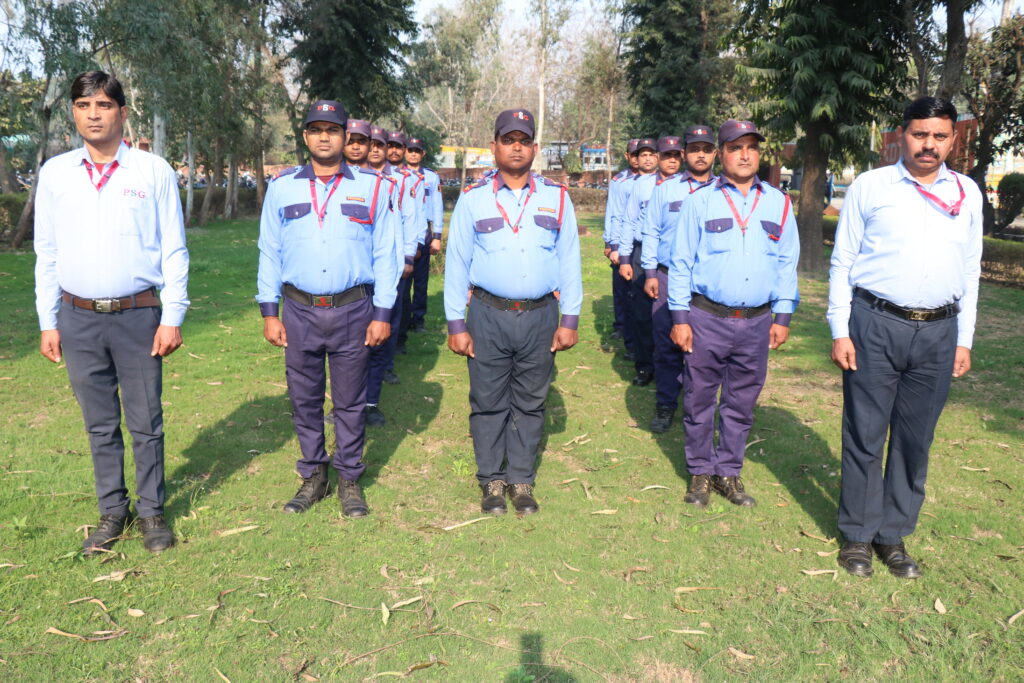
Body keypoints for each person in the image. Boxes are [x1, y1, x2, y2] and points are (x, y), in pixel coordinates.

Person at [34, 70, 189, 554]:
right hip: (77, 318)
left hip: (138, 315)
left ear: (122, 111)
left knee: (146, 421)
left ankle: (152, 514)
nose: (93, 114)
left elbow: (174, 250)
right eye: (84, 105)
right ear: (74, 113)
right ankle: (111, 512)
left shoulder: (152, 171)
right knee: (99, 423)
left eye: (103, 104)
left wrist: (173, 315)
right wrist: (48, 320)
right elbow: (47, 251)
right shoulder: (56, 173)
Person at [828, 97, 982, 579]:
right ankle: (857, 535)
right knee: (865, 435)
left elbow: (971, 270)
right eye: (920, 135)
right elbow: (843, 261)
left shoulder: (967, 193)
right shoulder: (872, 187)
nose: (929, 145)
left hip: (939, 331)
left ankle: (892, 536)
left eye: (939, 136)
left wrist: (965, 338)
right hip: (875, 324)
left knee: (915, 441)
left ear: (952, 140)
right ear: (900, 136)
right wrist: (839, 327)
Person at [256, 100, 399, 517]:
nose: (324, 137)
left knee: (350, 401)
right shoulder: (283, 188)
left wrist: (383, 312)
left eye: (332, 130)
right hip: (299, 310)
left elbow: (386, 254)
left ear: (344, 136)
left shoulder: (373, 188)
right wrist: (269, 310)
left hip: (354, 309)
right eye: (316, 129)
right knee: (304, 398)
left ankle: (350, 478)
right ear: (305, 137)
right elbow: (270, 250)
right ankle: (313, 476)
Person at [444, 108, 582, 515]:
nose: (516, 147)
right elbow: (457, 264)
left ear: (535, 149)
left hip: (541, 316)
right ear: (494, 147)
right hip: (487, 314)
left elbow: (569, 260)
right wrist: (456, 322)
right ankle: (491, 481)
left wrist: (569, 319)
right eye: (508, 139)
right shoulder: (473, 200)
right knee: (487, 400)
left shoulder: (557, 198)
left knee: (530, 401)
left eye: (524, 140)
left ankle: (521, 479)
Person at [668, 120, 800, 508]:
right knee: (699, 399)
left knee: (742, 401)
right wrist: (679, 319)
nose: (745, 155)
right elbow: (680, 263)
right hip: (707, 319)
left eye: (751, 148)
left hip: (757, 321)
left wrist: (783, 316)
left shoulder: (778, 202)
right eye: (735, 147)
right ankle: (700, 472)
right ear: (721, 154)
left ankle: (729, 471)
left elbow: (786, 263)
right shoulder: (699, 201)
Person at [641, 126, 717, 433]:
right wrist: (649, 272)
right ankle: (665, 403)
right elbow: (651, 231)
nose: (700, 154)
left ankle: (699, 407)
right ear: (684, 154)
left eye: (706, 148)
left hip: (704, 283)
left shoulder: (724, 192)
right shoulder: (667, 189)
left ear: (715, 153)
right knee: (666, 343)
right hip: (669, 277)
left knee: (704, 347)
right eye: (694, 149)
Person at [364, 125, 419, 426]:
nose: (372, 149)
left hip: (390, 266)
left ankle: (374, 392)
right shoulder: (347, 179)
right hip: (358, 274)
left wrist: (408, 256)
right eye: (366, 143)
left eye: (378, 144)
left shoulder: (399, 182)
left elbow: (410, 220)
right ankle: (349, 400)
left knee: (386, 327)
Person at [615, 137, 659, 385]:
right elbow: (628, 222)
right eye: (643, 155)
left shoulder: (680, 186)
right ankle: (644, 366)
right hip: (641, 251)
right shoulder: (637, 185)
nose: (649, 159)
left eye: (653, 154)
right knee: (642, 312)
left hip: (670, 255)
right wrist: (624, 257)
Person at [398, 137, 444, 341]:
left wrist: (437, 236)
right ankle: (403, 319)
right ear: (405, 152)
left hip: (423, 232)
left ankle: (418, 319)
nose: (414, 154)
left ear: (423, 154)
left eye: (418, 150)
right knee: (403, 279)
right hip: (404, 232)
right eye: (410, 150)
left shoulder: (431, 178)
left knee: (421, 281)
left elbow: (437, 207)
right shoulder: (396, 175)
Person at [603, 139, 640, 353]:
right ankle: (622, 325)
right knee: (621, 288)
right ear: (627, 156)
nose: (637, 158)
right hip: (621, 239)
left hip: (641, 241)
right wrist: (611, 243)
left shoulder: (656, 180)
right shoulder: (619, 181)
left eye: (641, 154)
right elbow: (613, 212)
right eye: (634, 154)